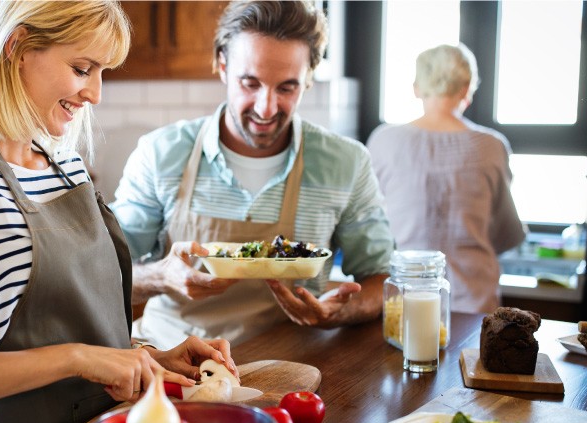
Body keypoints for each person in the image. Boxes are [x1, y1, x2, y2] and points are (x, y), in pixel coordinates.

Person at [0, 2, 236, 423]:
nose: (95, 94)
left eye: (102, 72)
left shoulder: (67, 168)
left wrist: (148, 359)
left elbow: (73, 332)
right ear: (17, 47)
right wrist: (75, 358)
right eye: (82, 69)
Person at [111, 0, 395, 349]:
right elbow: (103, 276)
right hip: (169, 356)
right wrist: (160, 275)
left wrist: (336, 313)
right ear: (222, 66)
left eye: (286, 88)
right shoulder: (160, 154)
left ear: (308, 79)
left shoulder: (346, 163)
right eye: (250, 83)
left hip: (291, 365)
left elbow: (382, 278)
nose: (266, 107)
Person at [367, 43, 526, 314]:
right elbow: (506, 233)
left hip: (405, 299)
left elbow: (370, 222)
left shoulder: (384, 141)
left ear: (416, 87)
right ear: (466, 89)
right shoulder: (491, 146)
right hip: (473, 302)